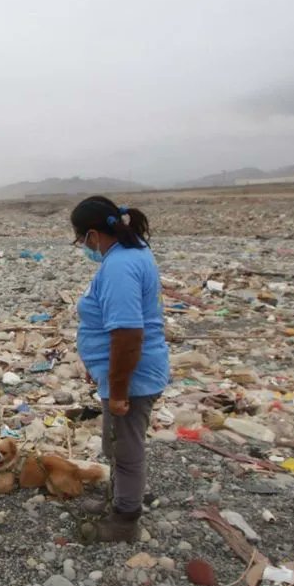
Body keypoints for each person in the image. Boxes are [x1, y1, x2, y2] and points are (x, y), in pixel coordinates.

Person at [70, 196, 170, 544]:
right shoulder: (133, 253)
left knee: (126, 451)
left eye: (81, 240)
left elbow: (128, 336)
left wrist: (119, 390)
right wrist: (100, 369)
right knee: (117, 445)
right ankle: (118, 498)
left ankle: (125, 520)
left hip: (134, 378)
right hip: (126, 373)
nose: (83, 247)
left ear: (94, 235)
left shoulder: (119, 267)